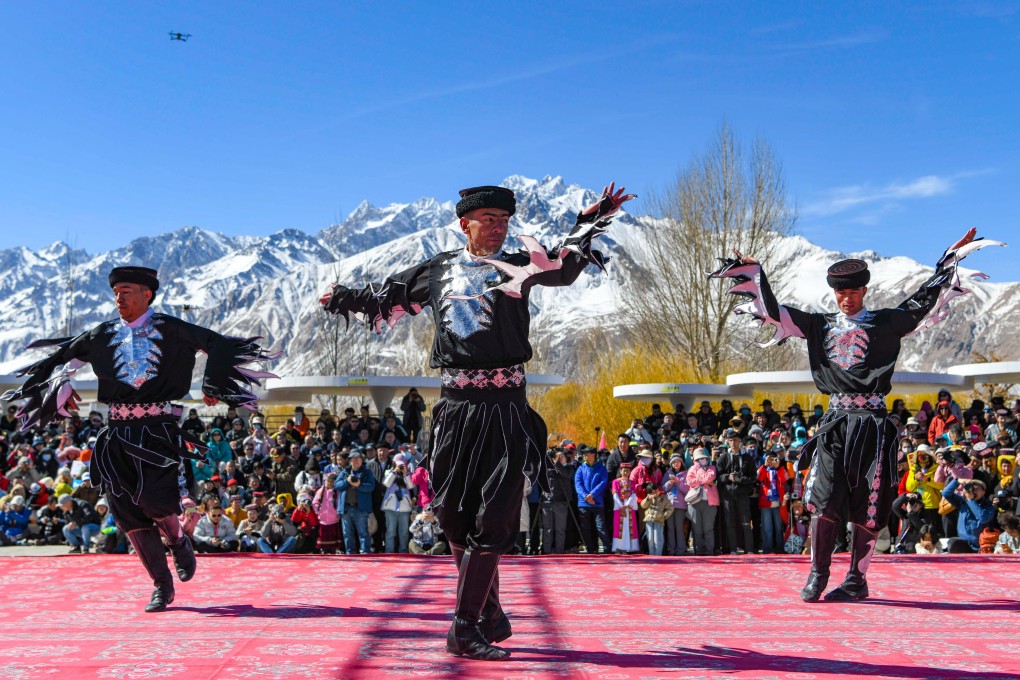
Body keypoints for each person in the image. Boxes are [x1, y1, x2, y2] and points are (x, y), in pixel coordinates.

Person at [320, 182, 633, 661]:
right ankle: (488, 611)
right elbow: (386, 296)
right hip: (454, 412)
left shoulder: (521, 264)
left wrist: (588, 221)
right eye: (488, 219)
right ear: (464, 223)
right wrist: (342, 297)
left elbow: (566, 267)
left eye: (504, 220)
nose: (497, 227)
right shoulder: (438, 269)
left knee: (496, 516)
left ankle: (463, 628)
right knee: (456, 519)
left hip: (506, 410)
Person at [711, 228, 1003, 602]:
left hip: (874, 426)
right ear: (833, 293)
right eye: (840, 292)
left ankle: (856, 579)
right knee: (823, 497)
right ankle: (818, 574)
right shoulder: (819, 325)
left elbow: (924, 302)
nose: (846, 299)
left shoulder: (886, 323)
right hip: (835, 425)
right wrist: (756, 272)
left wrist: (948, 262)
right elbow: (773, 310)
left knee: (869, 502)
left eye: (852, 292)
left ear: (864, 290)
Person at [1, 265, 278, 611]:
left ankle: (178, 541)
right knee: (125, 510)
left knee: (155, 500)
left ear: (147, 295)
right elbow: (59, 360)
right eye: (115, 292)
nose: (119, 298)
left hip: (158, 429)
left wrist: (213, 384)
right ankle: (162, 585)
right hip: (116, 433)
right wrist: (60, 383)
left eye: (126, 291)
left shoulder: (171, 328)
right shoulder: (100, 335)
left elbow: (216, 344)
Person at [336, 450, 375, 554]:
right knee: (347, 533)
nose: (356, 460)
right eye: (353, 458)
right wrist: (347, 481)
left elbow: (371, 487)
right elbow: (336, 485)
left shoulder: (367, 472)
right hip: (346, 507)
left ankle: (366, 553)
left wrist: (359, 485)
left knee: (363, 532)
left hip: (360, 507)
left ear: (362, 460)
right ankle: (350, 553)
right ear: (350, 460)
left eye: (358, 458)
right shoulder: (345, 472)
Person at [941, 478, 995, 553]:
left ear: (983, 492)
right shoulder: (963, 503)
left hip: (980, 546)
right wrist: (957, 481)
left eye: (976, 489)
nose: (973, 491)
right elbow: (945, 493)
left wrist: (971, 500)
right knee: (952, 542)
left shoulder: (988, 506)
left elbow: (983, 518)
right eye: (972, 488)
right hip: (963, 544)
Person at [574, 446, 609, 555]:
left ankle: (607, 549)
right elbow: (578, 484)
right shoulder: (580, 468)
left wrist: (592, 495)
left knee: (601, 527)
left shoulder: (601, 468)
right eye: (583, 453)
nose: (584, 455)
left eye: (586, 453)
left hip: (597, 503)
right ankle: (590, 550)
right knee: (585, 529)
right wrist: (586, 496)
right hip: (583, 503)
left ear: (593, 455)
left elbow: (603, 483)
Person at [686, 448, 719, 556]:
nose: (702, 460)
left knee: (708, 528)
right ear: (695, 460)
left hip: (710, 502)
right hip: (694, 502)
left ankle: (710, 551)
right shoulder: (691, 468)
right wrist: (704, 479)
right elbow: (690, 482)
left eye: (704, 458)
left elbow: (711, 476)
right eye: (699, 458)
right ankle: (698, 551)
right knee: (697, 529)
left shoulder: (712, 467)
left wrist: (699, 478)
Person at [662, 452, 690, 556]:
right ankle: (672, 549)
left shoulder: (685, 474)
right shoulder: (667, 473)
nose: (676, 464)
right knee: (670, 528)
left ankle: (680, 550)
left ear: (681, 463)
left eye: (677, 461)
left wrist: (678, 482)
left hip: (680, 505)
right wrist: (669, 483)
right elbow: (663, 488)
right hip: (669, 505)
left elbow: (687, 489)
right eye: (673, 462)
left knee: (679, 527)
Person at [611, 464, 640, 554]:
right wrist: (621, 506)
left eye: (627, 470)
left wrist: (626, 505)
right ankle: (618, 547)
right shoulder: (615, 482)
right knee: (619, 528)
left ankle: (629, 547)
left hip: (629, 508)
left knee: (629, 527)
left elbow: (633, 494)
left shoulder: (632, 482)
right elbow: (615, 495)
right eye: (624, 470)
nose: (626, 472)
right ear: (620, 471)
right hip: (619, 508)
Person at [640, 482, 673, 556]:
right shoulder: (648, 499)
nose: (654, 493)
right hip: (649, 520)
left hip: (659, 521)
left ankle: (658, 555)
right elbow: (643, 505)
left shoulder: (663, 498)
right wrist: (648, 498)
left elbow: (670, 508)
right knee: (650, 539)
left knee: (657, 539)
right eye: (652, 492)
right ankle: (652, 554)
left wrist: (664, 515)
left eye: (655, 491)